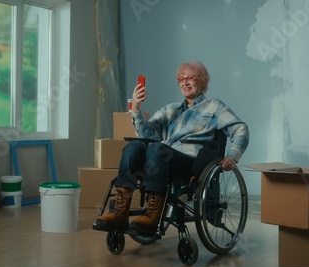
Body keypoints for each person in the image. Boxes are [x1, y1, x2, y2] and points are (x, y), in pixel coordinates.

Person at [95, 61, 249, 235]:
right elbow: (146, 132)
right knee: (134, 147)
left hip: (192, 163)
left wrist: (232, 156)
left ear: (202, 81)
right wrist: (136, 108)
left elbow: (240, 128)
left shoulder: (214, 106)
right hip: (161, 161)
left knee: (157, 149)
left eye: (190, 78)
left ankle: (153, 215)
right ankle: (119, 213)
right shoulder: (170, 109)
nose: (185, 82)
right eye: (181, 79)